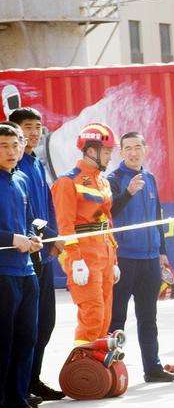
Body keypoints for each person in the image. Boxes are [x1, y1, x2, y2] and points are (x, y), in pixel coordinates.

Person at [107, 132, 174, 383]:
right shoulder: (113, 179)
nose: (133, 152)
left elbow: (157, 218)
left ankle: (153, 368)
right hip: (124, 258)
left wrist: (162, 252)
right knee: (117, 317)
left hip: (150, 258)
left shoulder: (150, 178)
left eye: (137, 147)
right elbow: (109, 212)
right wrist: (128, 193)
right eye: (128, 148)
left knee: (148, 317)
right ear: (121, 152)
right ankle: (110, 371)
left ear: (145, 149)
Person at [9, 107, 65, 401]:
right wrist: (41, 235)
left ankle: (32, 379)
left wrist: (53, 237)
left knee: (45, 323)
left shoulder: (36, 164)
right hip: (25, 254)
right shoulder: (14, 168)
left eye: (37, 127)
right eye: (27, 127)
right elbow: (26, 214)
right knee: (24, 327)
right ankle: (19, 387)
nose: (33, 133)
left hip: (44, 253)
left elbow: (47, 205)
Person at [51, 123, 120, 351]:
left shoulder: (103, 181)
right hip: (84, 256)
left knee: (105, 315)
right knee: (92, 315)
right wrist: (76, 260)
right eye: (107, 151)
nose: (110, 156)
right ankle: (82, 364)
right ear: (91, 150)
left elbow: (107, 221)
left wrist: (114, 260)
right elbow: (65, 225)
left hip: (104, 254)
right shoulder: (67, 181)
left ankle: (97, 365)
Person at [0, 123, 46, 408]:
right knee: (3, 340)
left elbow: (29, 220)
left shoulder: (21, 179)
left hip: (26, 270)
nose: (11, 151)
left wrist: (32, 238)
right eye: (3, 145)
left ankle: (19, 400)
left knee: (26, 338)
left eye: (15, 145)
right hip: (2, 271)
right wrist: (10, 238)